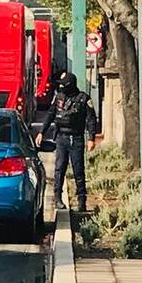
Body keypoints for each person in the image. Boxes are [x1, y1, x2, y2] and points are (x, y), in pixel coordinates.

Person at [36, 71, 98, 213]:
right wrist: (41, 132)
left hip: (76, 138)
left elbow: (91, 120)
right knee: (59, 169)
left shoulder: (83, 99)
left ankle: (82, 201)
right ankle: (57, 198)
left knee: (78, 171)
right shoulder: (58, 98)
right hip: (61, 137)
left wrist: (91, 138)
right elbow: (51, 114)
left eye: (64, 85)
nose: (62, 88)